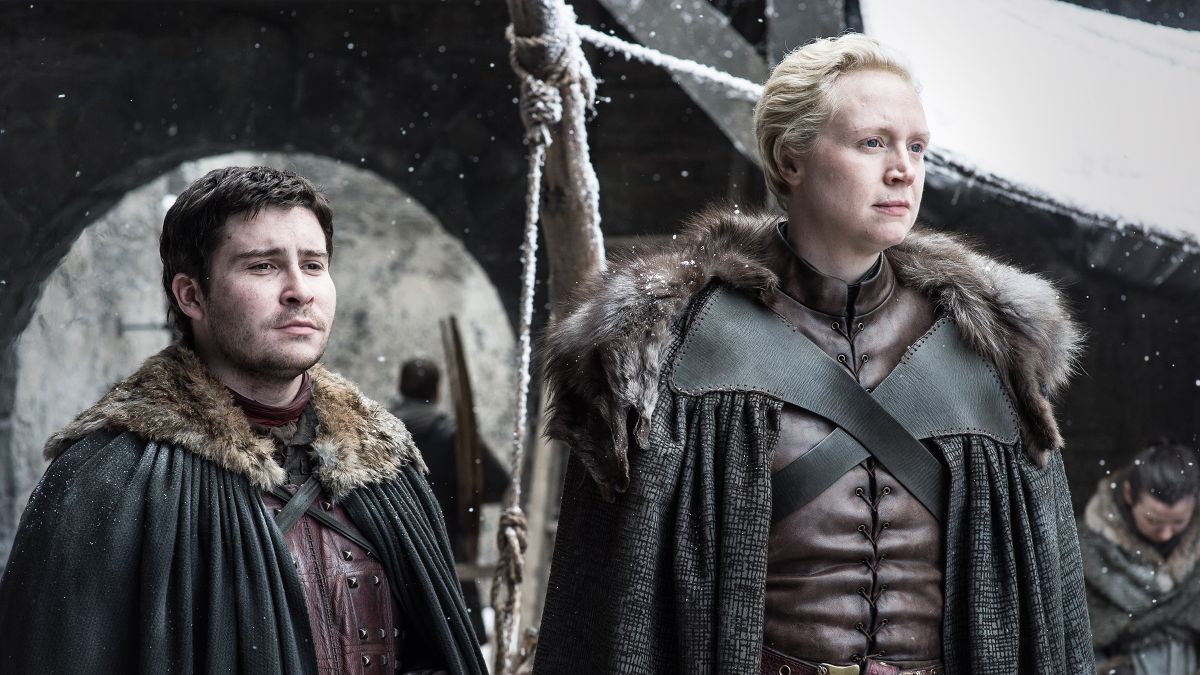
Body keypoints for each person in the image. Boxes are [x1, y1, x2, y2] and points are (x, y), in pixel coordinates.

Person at [534, 34, 1093, 674]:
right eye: (872, 143)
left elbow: (1050, 603)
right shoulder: (670, 348)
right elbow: (609, 611)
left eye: (917, 147)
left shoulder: (989, 348)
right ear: (790, 159)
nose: (904, 170)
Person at [0, 166, 487, 674]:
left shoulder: (385, 464)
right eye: (263, 266)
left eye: (314, 264)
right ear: (192, 296)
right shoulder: (109, 479)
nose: (299, 290)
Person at [389, 358, 510, 642]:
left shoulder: (378, 436)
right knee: (457, 644)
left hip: (393, 560)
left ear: (400, 388)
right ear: (437, 391)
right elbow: (498, 483)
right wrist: (464, 499)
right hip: (447, 558)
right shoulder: (455, 437)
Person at [1080, 440, 1200, 675]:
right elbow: (1071, 642)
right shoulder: (1087, 551)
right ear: (1128, 494)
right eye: (1153, 520)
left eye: (1178, 522)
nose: (1166, 534)